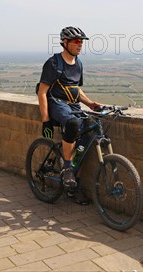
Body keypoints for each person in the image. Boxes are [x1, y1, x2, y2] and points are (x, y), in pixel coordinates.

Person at [37, 26, 102, 205]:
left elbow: (76, 89)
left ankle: (73, 185)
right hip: (57, 104)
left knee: (87, 132)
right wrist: (46, 120)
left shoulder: (78, 63)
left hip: (72, 105)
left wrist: (90, 104)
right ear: (65, 43)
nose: (80, 44)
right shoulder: (53, 63)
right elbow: (42, 92)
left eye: (81, 41)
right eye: (76, 41)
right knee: (73, 124)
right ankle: (66, 168)